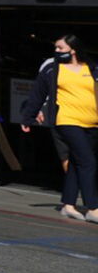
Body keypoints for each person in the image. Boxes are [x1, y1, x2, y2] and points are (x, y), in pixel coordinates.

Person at [19, 33, 98, 223]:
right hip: (67, 120)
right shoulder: (52, 68)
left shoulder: (92, 67)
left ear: (73, 49)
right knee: (88, 162)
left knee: (76, 163)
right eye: (55, 48)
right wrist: (28, 117)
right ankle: (93, 208)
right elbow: (38, 93)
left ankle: (68, 205)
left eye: (60, 48)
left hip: (93, 122)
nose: (56, 51)